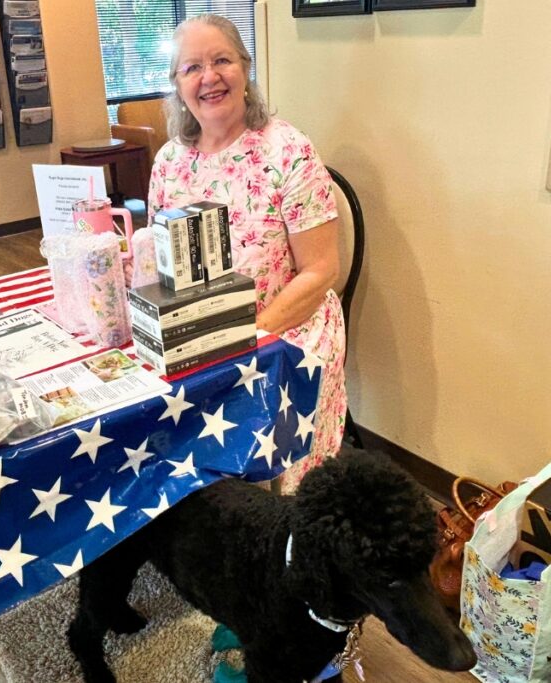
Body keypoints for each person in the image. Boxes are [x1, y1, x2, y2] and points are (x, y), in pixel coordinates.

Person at [148, 14, 346, 495]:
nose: (209, 77)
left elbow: (322, 271)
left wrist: (249, 338)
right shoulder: (170, 161)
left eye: (222, 60)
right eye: (192, 67)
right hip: (200, 331)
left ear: (245, 67)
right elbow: (161, 266)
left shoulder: (288, 152)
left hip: (284, 330)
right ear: (177, 85)